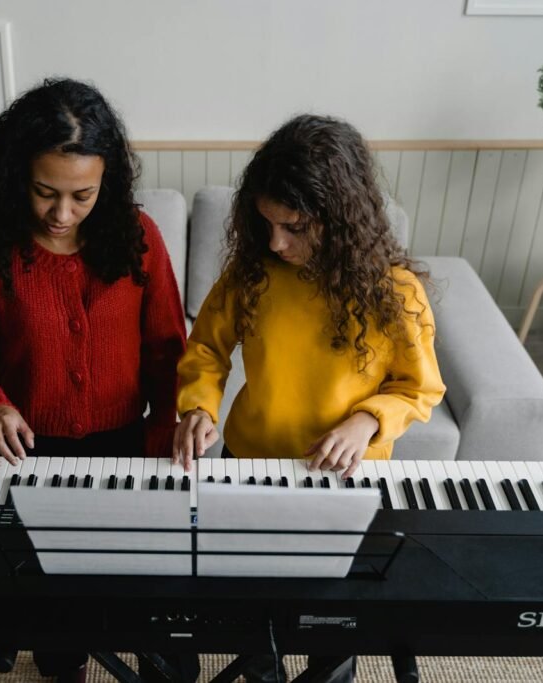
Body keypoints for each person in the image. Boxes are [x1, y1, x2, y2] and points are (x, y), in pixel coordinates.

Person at [0, 78, 191, 683]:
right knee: (57, 614)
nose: (62, 214)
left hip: (131, 448)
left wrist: (164, 437)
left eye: (82, 195)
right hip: (31, 453)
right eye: (45, 192)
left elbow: (169, 354)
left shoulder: (139, 238)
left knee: (153, 613)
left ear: (108, 183)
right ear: (18, 174)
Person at [172, 114, 446, 682]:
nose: (276, 242)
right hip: (249, 464)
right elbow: (205, 350)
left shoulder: (397, 292)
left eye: (294, 227)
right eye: (267, 223)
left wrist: (368, 422)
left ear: (340, 218)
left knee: (335, 617)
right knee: (254, 608)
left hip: (346, 482)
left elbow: (419, 389)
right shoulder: (253, 274)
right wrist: (198, 406)